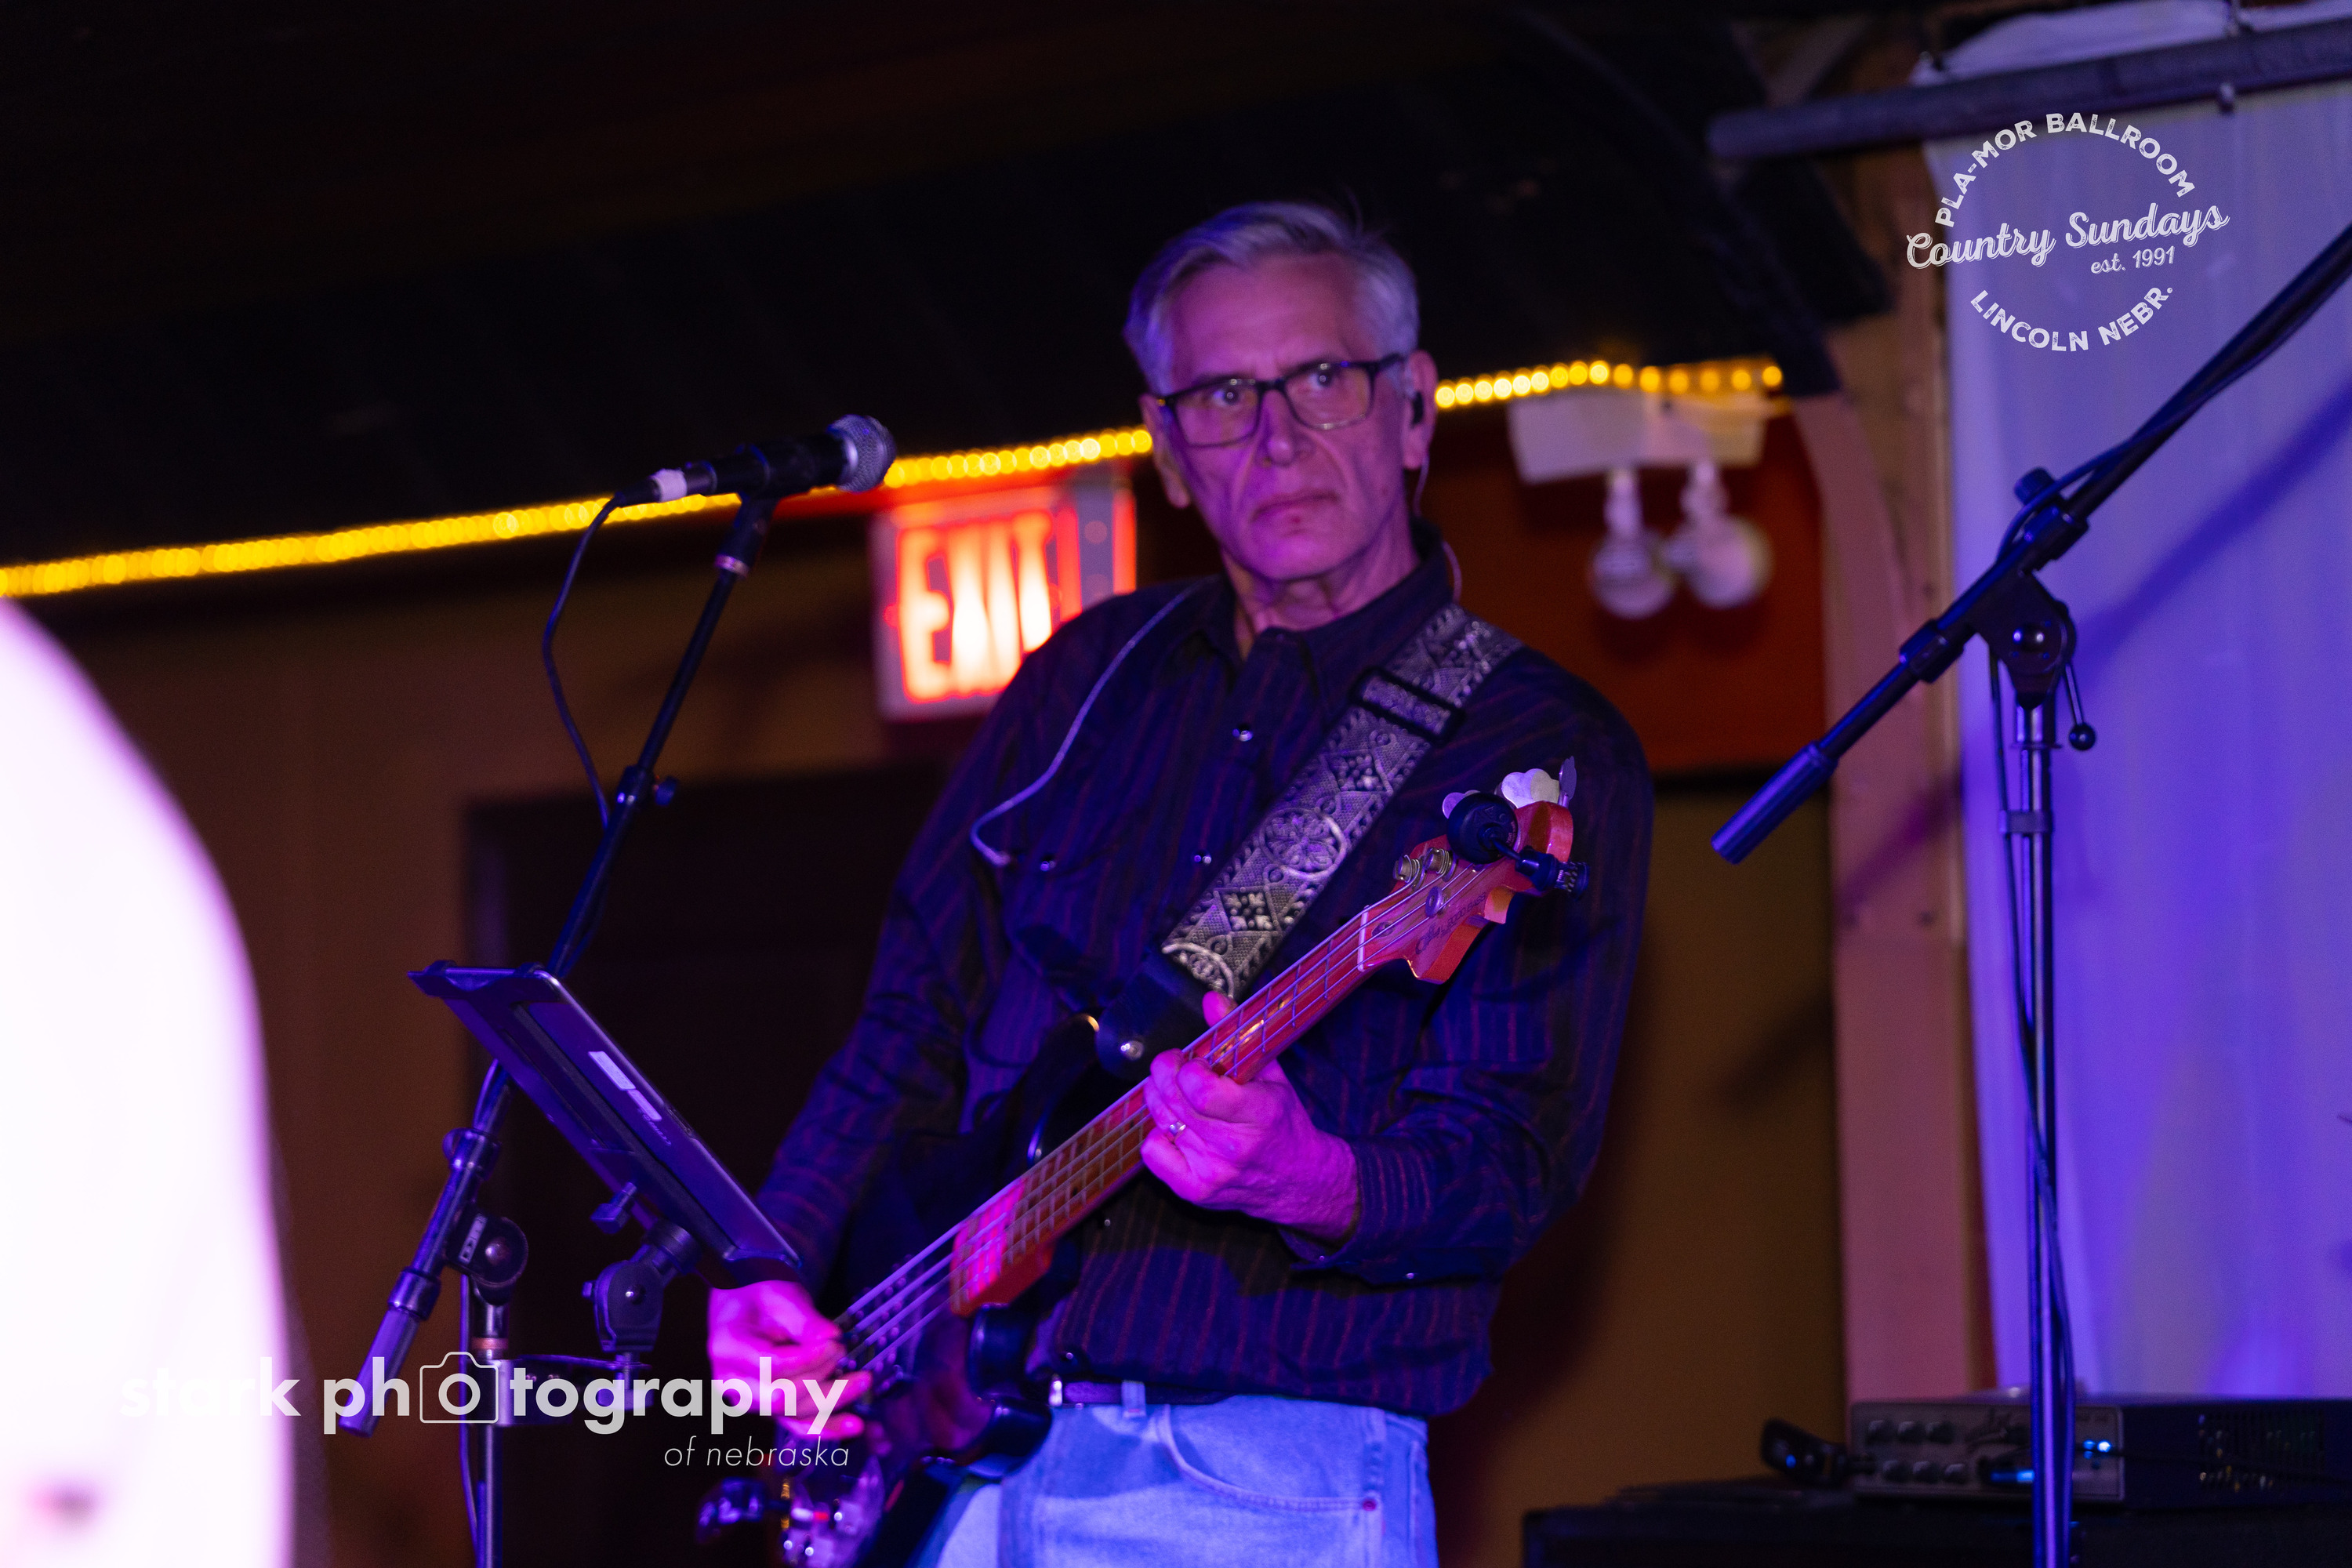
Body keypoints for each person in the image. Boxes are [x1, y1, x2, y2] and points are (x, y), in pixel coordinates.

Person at [709, 200, 1649, 1567]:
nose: (1278, 437)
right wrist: (775, 1263)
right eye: (1222, 396)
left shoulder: (1531, 747)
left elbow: (1515, 1157)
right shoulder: (1084, 681)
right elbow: (911, 1019)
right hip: (960, 1466)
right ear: (1165, 448)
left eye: (1322, 378)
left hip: (1256, 1476)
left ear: (1414, 409)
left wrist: (1315, 1179)